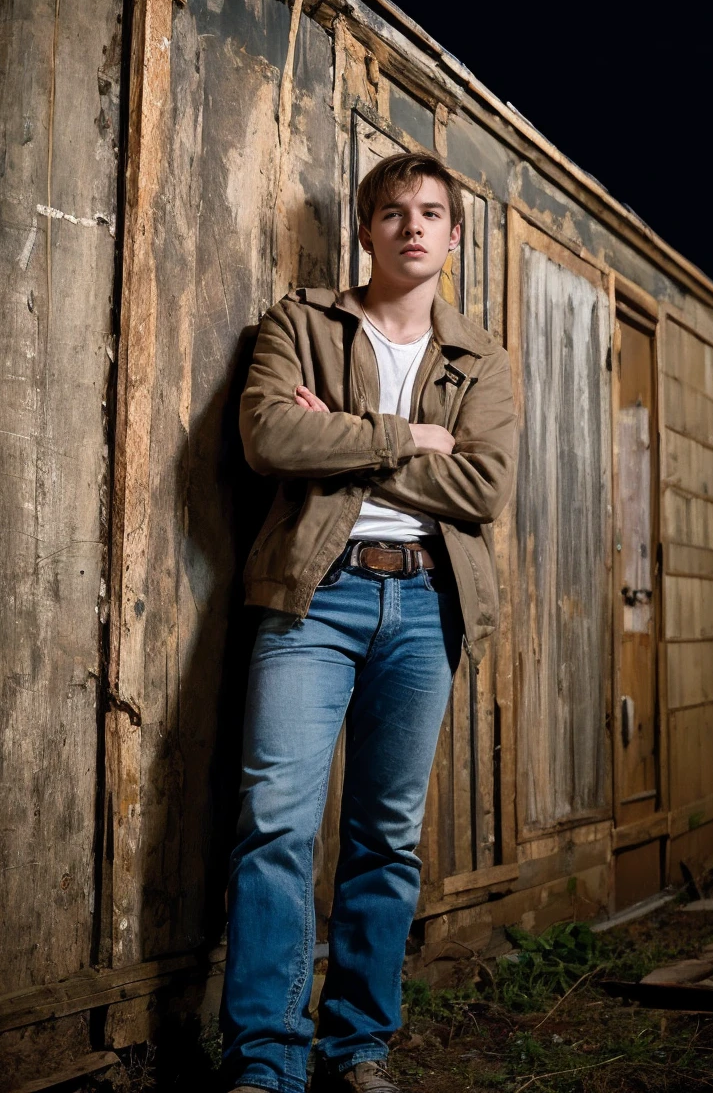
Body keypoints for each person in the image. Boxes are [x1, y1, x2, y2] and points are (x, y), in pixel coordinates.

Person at [221, 152, 516, 1093]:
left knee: (386, 836)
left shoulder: (484, 360)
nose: (414, 226)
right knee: (275, 821)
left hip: (429, 602)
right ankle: (265, 1063)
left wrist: (344, 436)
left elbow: (484, 486)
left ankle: (357, 1050)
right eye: (394, 212)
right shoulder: (299, 323)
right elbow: (270, 436)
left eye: (433, 213)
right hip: (315, 594)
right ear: (366, 229)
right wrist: (407, 435)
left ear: (454, 236)